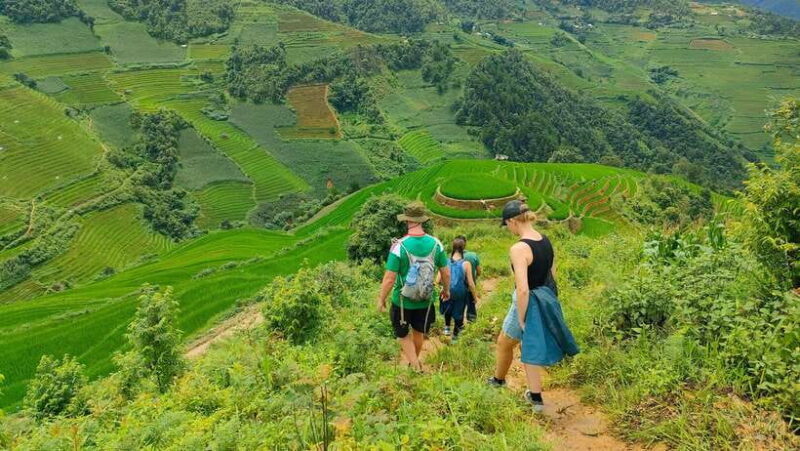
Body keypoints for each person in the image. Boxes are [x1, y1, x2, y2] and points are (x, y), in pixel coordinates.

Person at [487, 200, 579, 412]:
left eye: (507, 224)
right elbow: (552, 274)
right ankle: (535, 397)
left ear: (512, 221)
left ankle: (498, 381)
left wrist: (521, 316)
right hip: (545, 297)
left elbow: (522, 289)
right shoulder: (545, 241)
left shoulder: (519, 248)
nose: (508, 229)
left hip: (528, 301)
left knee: (504, 342)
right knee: (529, 343)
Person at [377, 201, 450, 371]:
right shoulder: (436, 244)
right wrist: (446, 290)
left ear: (407, 220)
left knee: (402, 334)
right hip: (425, 299)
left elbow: (389, 278)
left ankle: (415, 366)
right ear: (422, 220)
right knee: (419, 332)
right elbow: (445, 272)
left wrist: (381, 298)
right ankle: (414, 362)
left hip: (402, 301)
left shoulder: (399, 246)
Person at [440, 237, 480, 341]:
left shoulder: (445, 261)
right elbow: (471, 283)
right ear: (464, 248)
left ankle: (447, 328)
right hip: (460, 292)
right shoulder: (466, 264)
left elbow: (438, 279)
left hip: (447, 290)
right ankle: (455, 337)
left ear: (452, 247)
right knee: (459, 312)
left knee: (448, 308)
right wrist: (475, 297)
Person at [458, 235, 481, 323]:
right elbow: (479, 271)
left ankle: (458, 326)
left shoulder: (452, 258)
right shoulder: (473, 255)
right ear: (465, 244)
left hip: (458, 287)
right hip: (470, 287)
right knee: (471, 306)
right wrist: (476, 276)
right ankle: (471, 322)